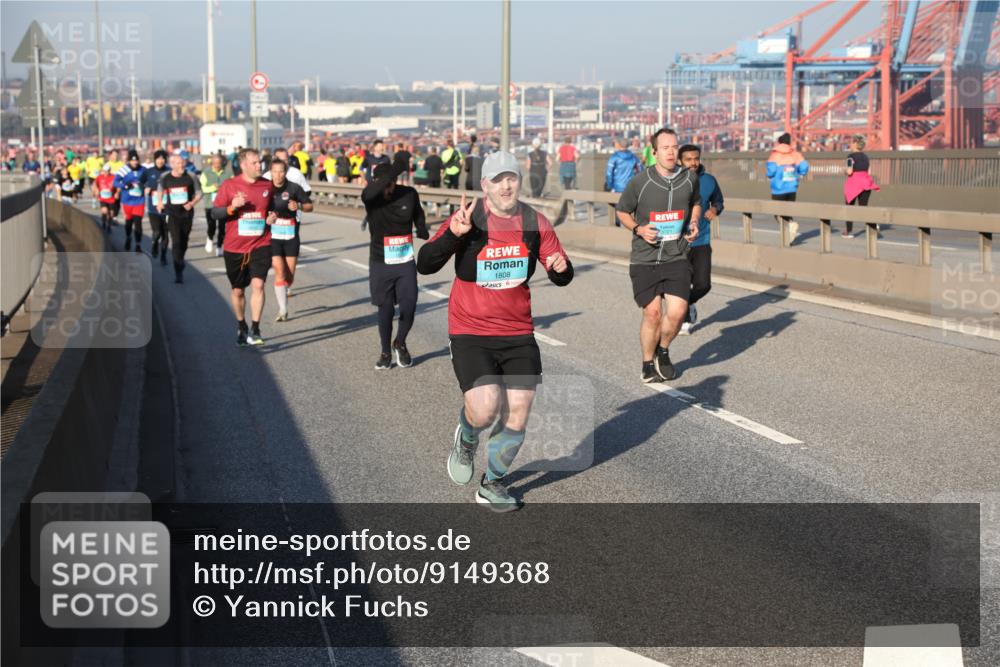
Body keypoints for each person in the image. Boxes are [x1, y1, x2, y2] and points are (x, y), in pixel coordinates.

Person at [416, 151, 574, 512]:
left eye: (512, 178)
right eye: (498, 179)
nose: (506, 185)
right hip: (470, 329)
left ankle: (494, 483)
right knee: (485, 409)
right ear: (485, 185)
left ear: (519, 182)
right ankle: (468, 436)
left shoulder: (535, 222)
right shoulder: (469, 218)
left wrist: (560, 269)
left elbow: (561, 272)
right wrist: (453, 237)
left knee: (518, 411)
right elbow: (425, 264)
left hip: (518, 331)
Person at [615, 128, 701, 383]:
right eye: (665, 148)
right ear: (654, 153)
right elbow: (622, 211)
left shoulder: (689, 179)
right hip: (645, 258)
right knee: (652, 313)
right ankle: (646, 363)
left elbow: (696, 202)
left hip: (676, 255)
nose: (671, 151)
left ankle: (662, 351)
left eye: (674, 147)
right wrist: (639, 229)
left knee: (677, 311)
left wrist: (694, 222)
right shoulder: (640, 182)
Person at [362, 157, 429, 369]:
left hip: (404, 261)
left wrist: (421, 227)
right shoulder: (372, 198)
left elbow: (418, 212)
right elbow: (370, 192)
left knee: (409, 305)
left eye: (390, 184)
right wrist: (391, 173)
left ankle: (399, 342)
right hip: (380, 262)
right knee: (386, 309)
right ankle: (384, 352)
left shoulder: (409, 193)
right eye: (384, 183)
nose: (387, 189)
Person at [211, 148, 278, 346]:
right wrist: (232, 207)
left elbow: (272, 208)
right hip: (235, 247)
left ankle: (255, 328)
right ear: (243, 165)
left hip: (261, 242)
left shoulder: (267, 185)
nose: (260, 166)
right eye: (255, 163)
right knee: (238, 290)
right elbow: (215, 213)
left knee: (258, 285)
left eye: (260, 162)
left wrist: (271, 217)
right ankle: (242, 325)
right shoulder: (230, 185)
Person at [678, 144, 724, 335]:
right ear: (680, 161)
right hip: (678, 243)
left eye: (696, 158)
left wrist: (714, 209)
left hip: (702, 241)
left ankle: (688, 303)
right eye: (688, 159)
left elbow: (718, 201)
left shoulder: (709, 181)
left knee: (703, 285)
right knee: (680, 285)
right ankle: (685, 317)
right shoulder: (673, 181)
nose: (693, 162)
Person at [269, 158, 314, 321]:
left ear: (286, 172)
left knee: (289, 276)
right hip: (273, 236)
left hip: (290, 235)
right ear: (271, 172)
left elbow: (310, 206)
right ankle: (283, 310)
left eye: (281, 171)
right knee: (279, 271)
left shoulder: (294, 188)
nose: (278, 175)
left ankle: (285, 290)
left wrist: (299, 206)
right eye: (275, 171)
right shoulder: (266, 188)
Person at [156, 154, 203, 283]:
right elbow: (160, 189)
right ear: (172, 164)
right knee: (176, 242)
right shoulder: (165, 177)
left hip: (187, 214)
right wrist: (160, 202)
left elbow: (199, 193)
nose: (181, 165)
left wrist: (192, 203)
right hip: (171, 214)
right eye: (178, 163)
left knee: (184, 241)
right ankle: (178, 271)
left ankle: (180, 259)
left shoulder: (191, 176)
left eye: (182, 163)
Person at [766, 132, 809, 242]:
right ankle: (789, 237)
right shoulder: (795, 154)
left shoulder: (774, 155)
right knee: (788, 212)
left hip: (778, 189)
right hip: (792, 188)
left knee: (777, 213)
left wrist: (769, 175)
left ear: (779, 142)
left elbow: (771, 171)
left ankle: (789, 227)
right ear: (789, 143)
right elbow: (804, 166)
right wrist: (800, 173)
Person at [114, 149, 152, 253]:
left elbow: (149, 180)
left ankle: (138, 244)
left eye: (136, 161)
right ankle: (128, 237)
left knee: (138, 223)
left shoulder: (143, 170)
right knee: (128, 223)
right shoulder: (124, 170)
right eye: (132, 161)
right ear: (129, 161)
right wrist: (125, 185)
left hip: (139, 201)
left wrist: (147, 186)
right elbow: (115, 182)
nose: (135, 162)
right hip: (127, 201)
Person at [843, 134, 879, 239]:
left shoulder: (850, 157)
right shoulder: (866, 157)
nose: (850, 144)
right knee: (864, 207)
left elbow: (849, 172)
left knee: (849, 208)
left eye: (851, 142)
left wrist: (845, 171)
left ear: (854, 144)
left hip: (854, 183)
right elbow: (869, 172)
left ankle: (848, 231)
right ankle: (873, 225)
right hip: (866, 182)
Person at [200, 153, 232, 255]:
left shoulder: (228, 173)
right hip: (210, 204)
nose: (217, 165)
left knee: (222, 227)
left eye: (219, 163)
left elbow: (233, 185)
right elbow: (202, 188)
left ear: (222, 163)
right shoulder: (206, 173)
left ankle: (219, 245)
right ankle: (209, 239)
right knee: (211, 225)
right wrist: (213, 188)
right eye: (215, 163)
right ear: (212, 163)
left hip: (224, 205)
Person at [146, 150, 171, 266]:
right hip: (153, 209)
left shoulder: (169, 171)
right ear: (155, 160)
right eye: (158, 158)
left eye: (162, 159)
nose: (160, 161)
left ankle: (163, 256)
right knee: (157, 232)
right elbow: (140, 183)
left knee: (166, 234)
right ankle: (154, 243)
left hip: (167, 209)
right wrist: (145, 189)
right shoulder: (149, 171)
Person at [92, 163, 118, 232]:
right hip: (103, 198)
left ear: (110, 171)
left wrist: (117, 193)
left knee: (111, 214)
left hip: (111, 198)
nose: (106, 173)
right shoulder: (99, 177)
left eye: (107, 171)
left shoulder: (114, 177)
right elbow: (95, 184)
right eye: (104, 171)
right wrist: (96, 191)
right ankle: (103, 224)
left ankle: (109, 226)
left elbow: (118, 186)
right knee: (104, 211)